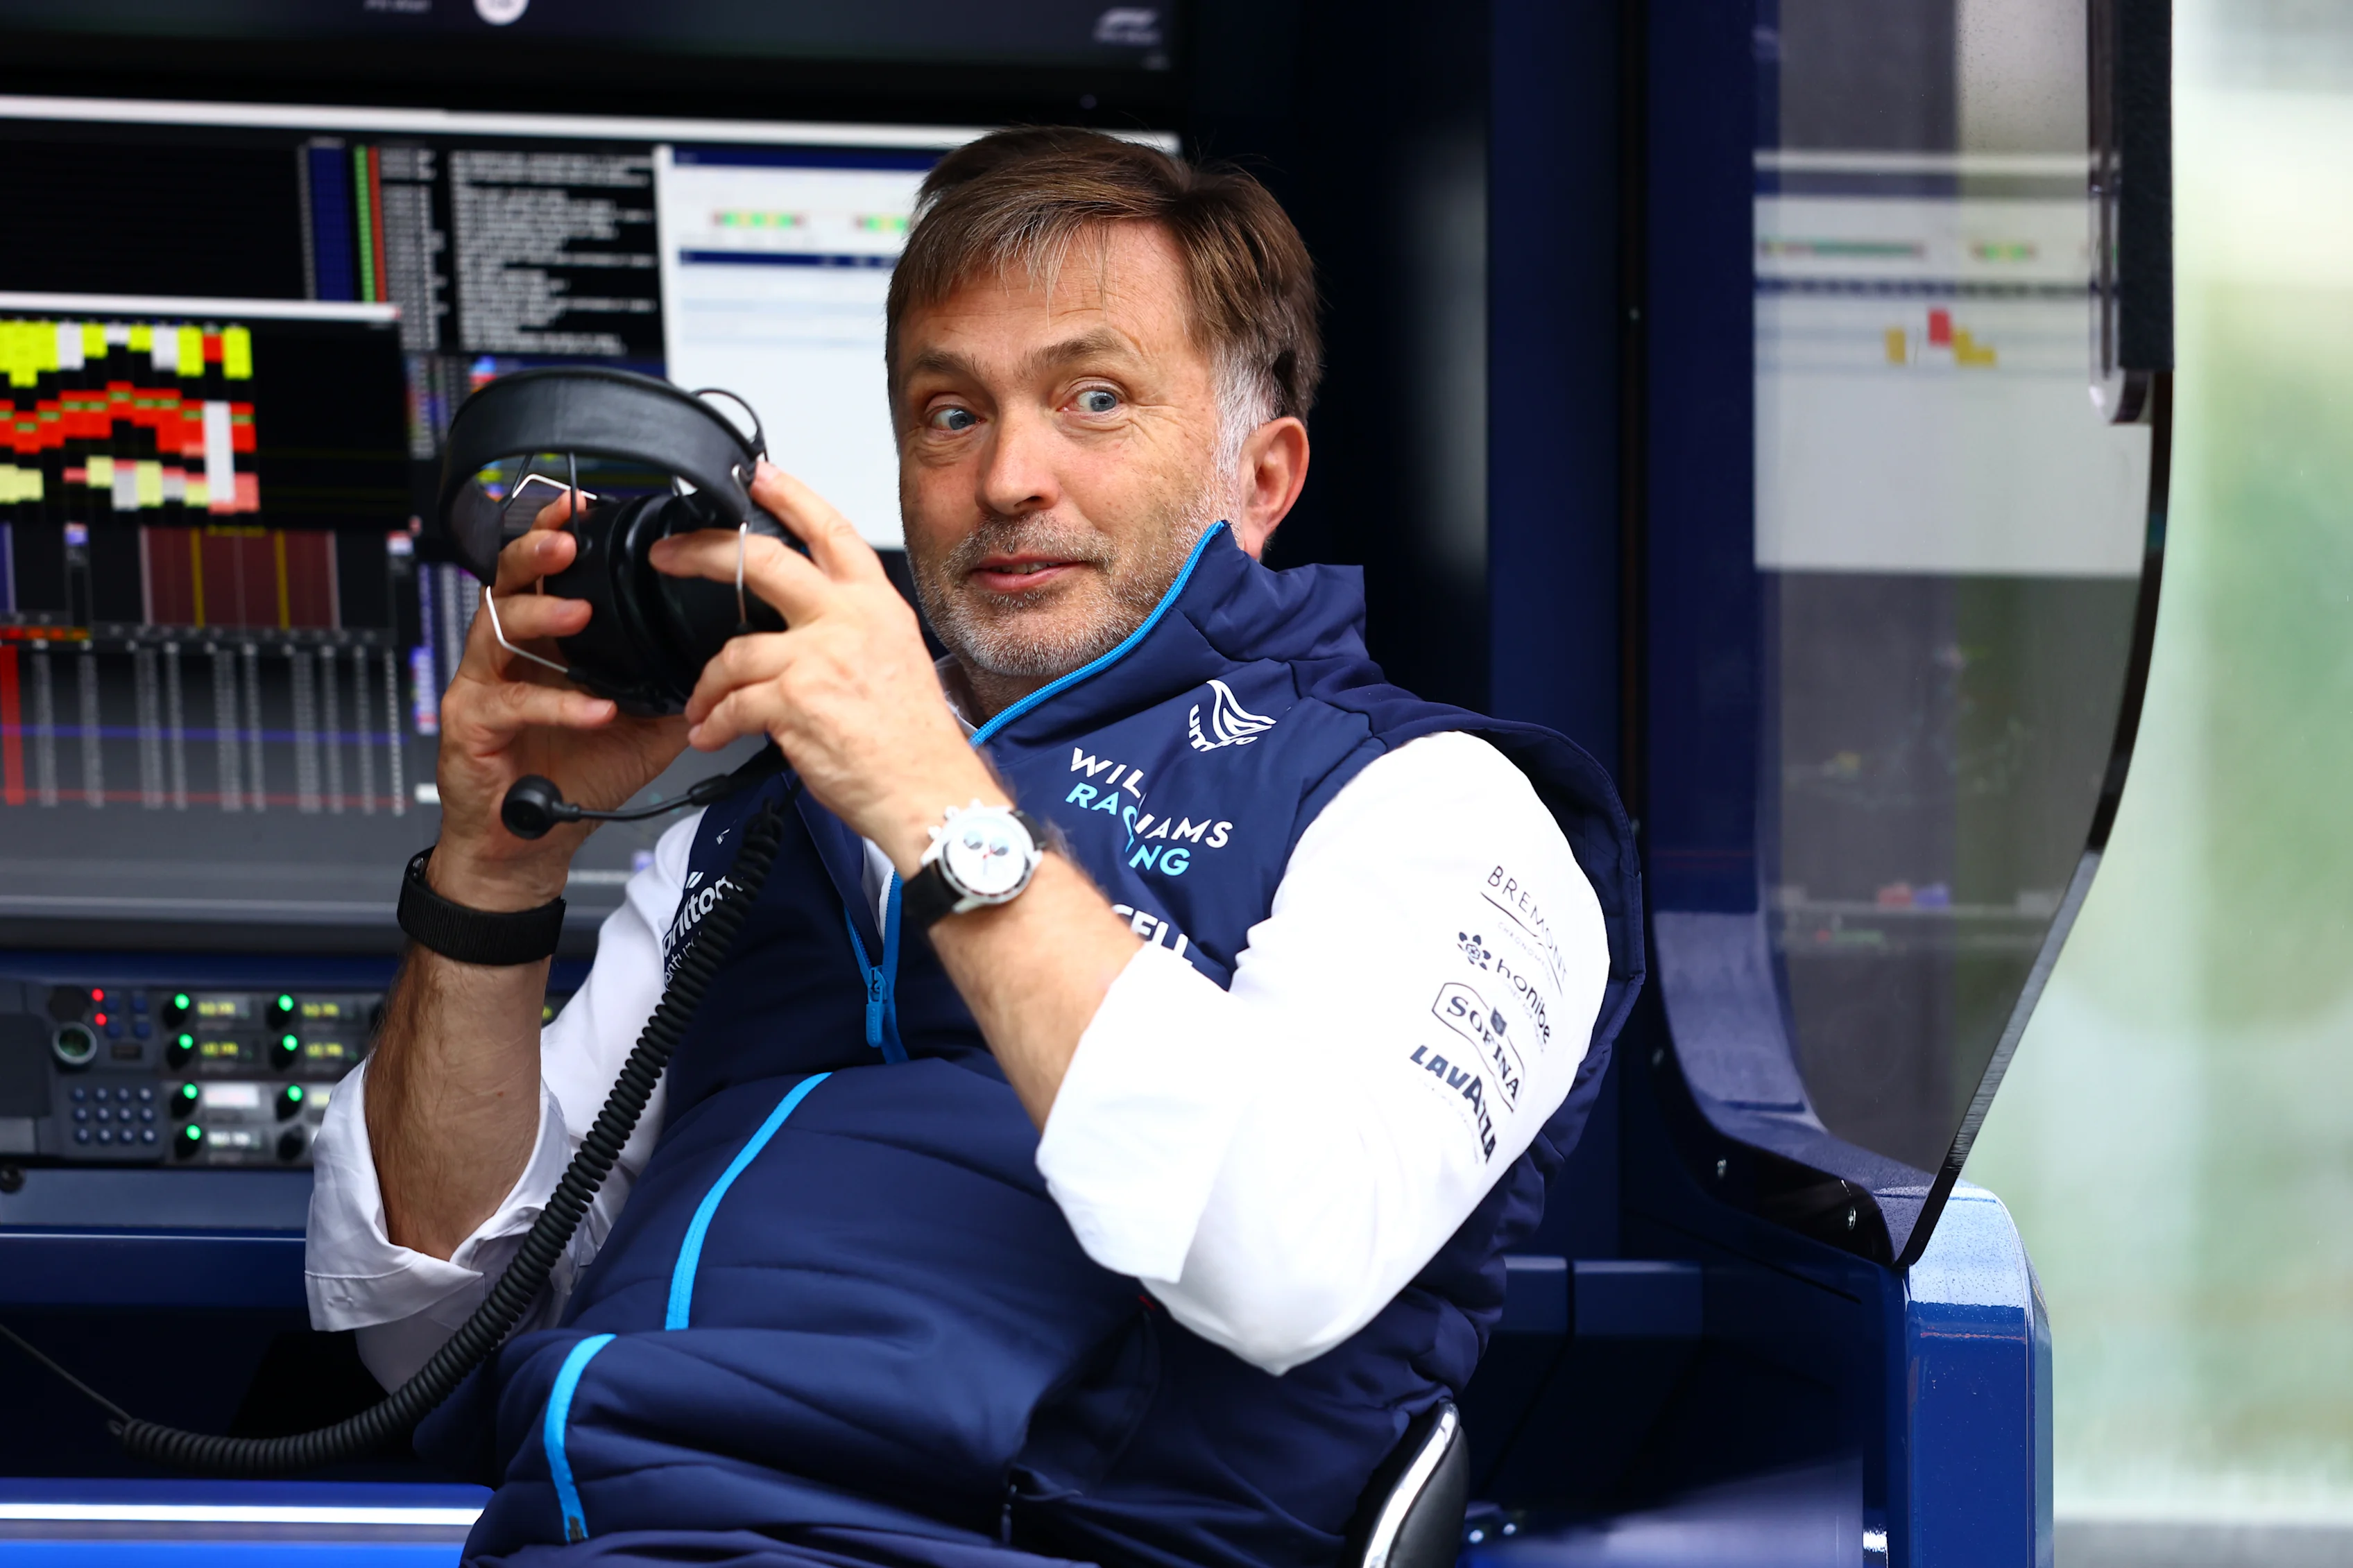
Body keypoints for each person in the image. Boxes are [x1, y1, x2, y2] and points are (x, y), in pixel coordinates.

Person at [307, 128, 1641, 1568]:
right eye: (948, 413)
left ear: (1262, 476)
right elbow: (423, 1325)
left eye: (1093, 397)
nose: (1009, 474)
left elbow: (1284, 1255)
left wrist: (937, 803)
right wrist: (497, 865)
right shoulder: (751, 827)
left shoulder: (1431, 806)